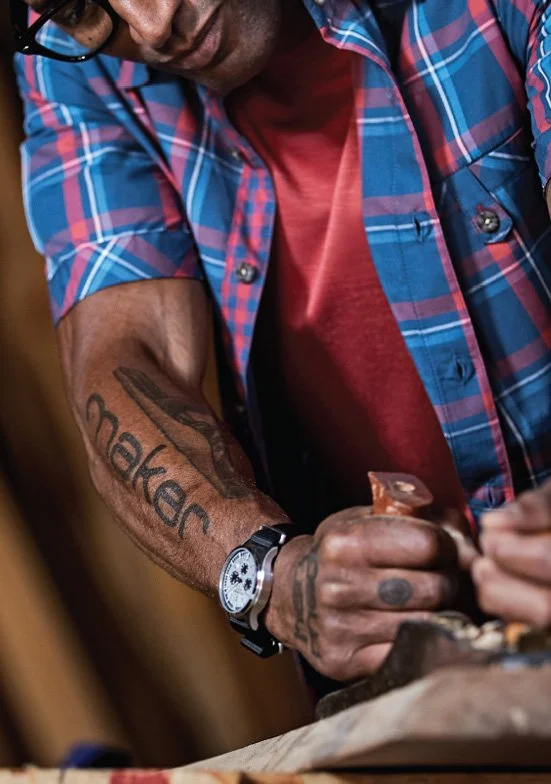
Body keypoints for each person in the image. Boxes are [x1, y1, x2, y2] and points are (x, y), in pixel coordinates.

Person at [11, 0, 551, 693]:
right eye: (85, 8)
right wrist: (269, 571)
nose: (150, 27)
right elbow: (123, 354)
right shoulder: (78, 65)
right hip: (419, 679)